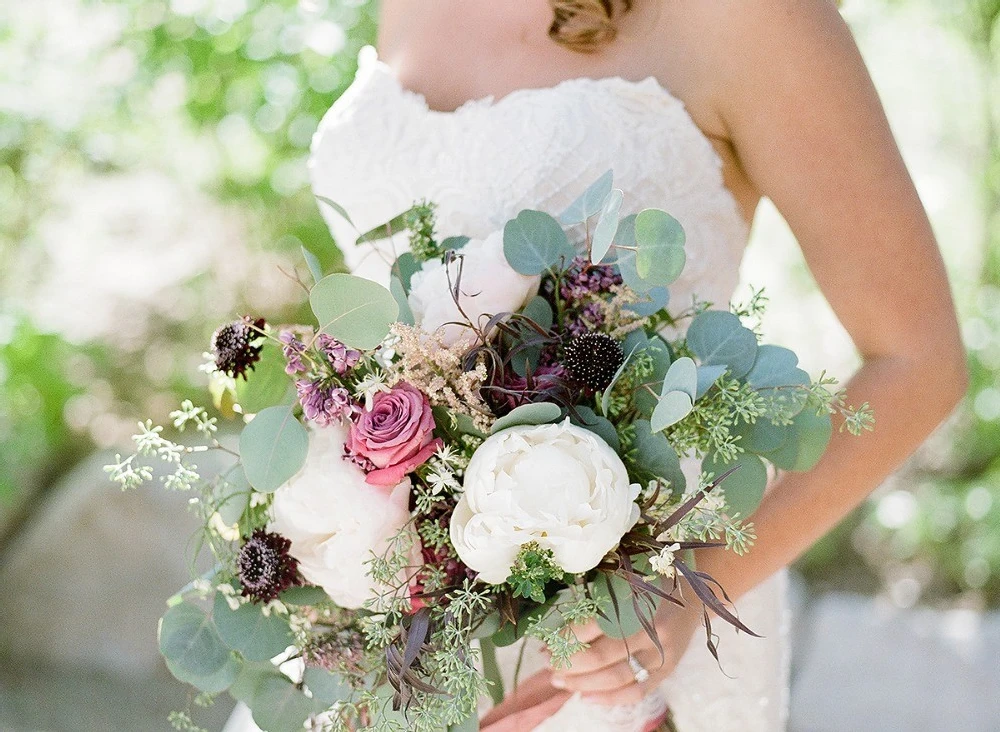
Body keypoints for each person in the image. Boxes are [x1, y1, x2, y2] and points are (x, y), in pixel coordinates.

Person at [228, 1, 966, 730]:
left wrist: (687, 593)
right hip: (387, 632)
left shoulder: (753, 17)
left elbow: (918, 361)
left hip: (619, 632)